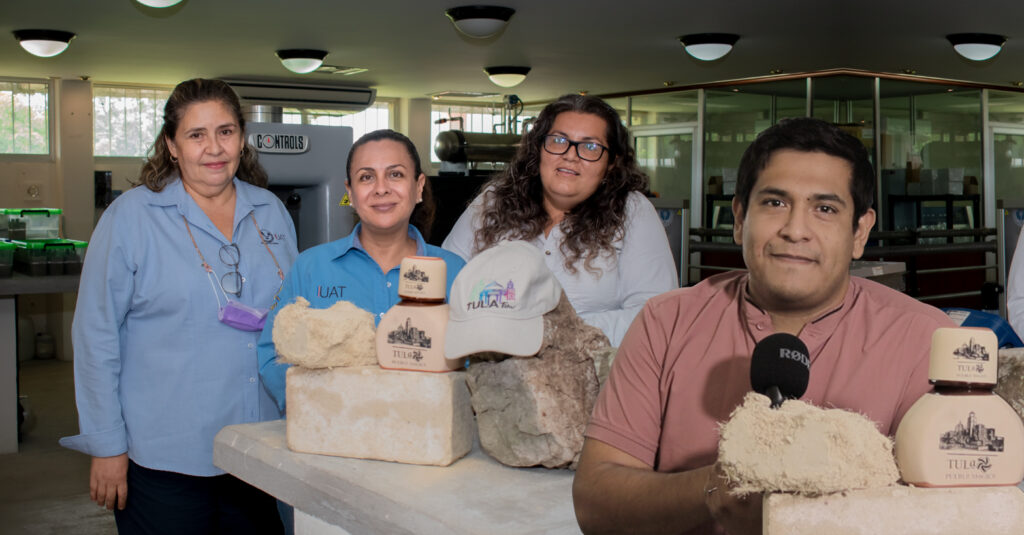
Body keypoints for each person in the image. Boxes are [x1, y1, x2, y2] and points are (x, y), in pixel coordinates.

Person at [572, 118, 955, 535]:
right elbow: (596, 502)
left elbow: (956, 512)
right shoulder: (666, 322)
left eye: (825, 209)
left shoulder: (927, 342)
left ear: (860, 231)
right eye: (775, 203)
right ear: (739, 217)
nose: (795, 230)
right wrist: (716, 491)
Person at [60, 79, 297, 534]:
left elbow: (290, 319)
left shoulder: (269, 210)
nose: (214, 148)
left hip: (258, 452)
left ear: (241, 138)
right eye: (196, 135)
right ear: (171, 144)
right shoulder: (131, 218)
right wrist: (107, 447)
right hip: (165, 460)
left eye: (225, 132)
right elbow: (95, 336)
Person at [442, 94, 677, 347]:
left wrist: (553, 333)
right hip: (486, 367)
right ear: (539, 148)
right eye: (558, 140)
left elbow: (655, 314)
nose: (570, 155)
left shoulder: (632, 211)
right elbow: (445, 278)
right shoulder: (493, 201)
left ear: (611, 163)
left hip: (591, 374)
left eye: (591, 147)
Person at [258, 129, 465, 410]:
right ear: (350, 193)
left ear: (418, 188)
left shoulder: (454, 273)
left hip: (426, 437)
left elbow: (473, 366)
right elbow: (272, 354)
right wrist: (326, 404)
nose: (381, 188)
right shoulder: (311, 267)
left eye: (395, 174)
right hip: (329, 439)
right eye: (366, 177)